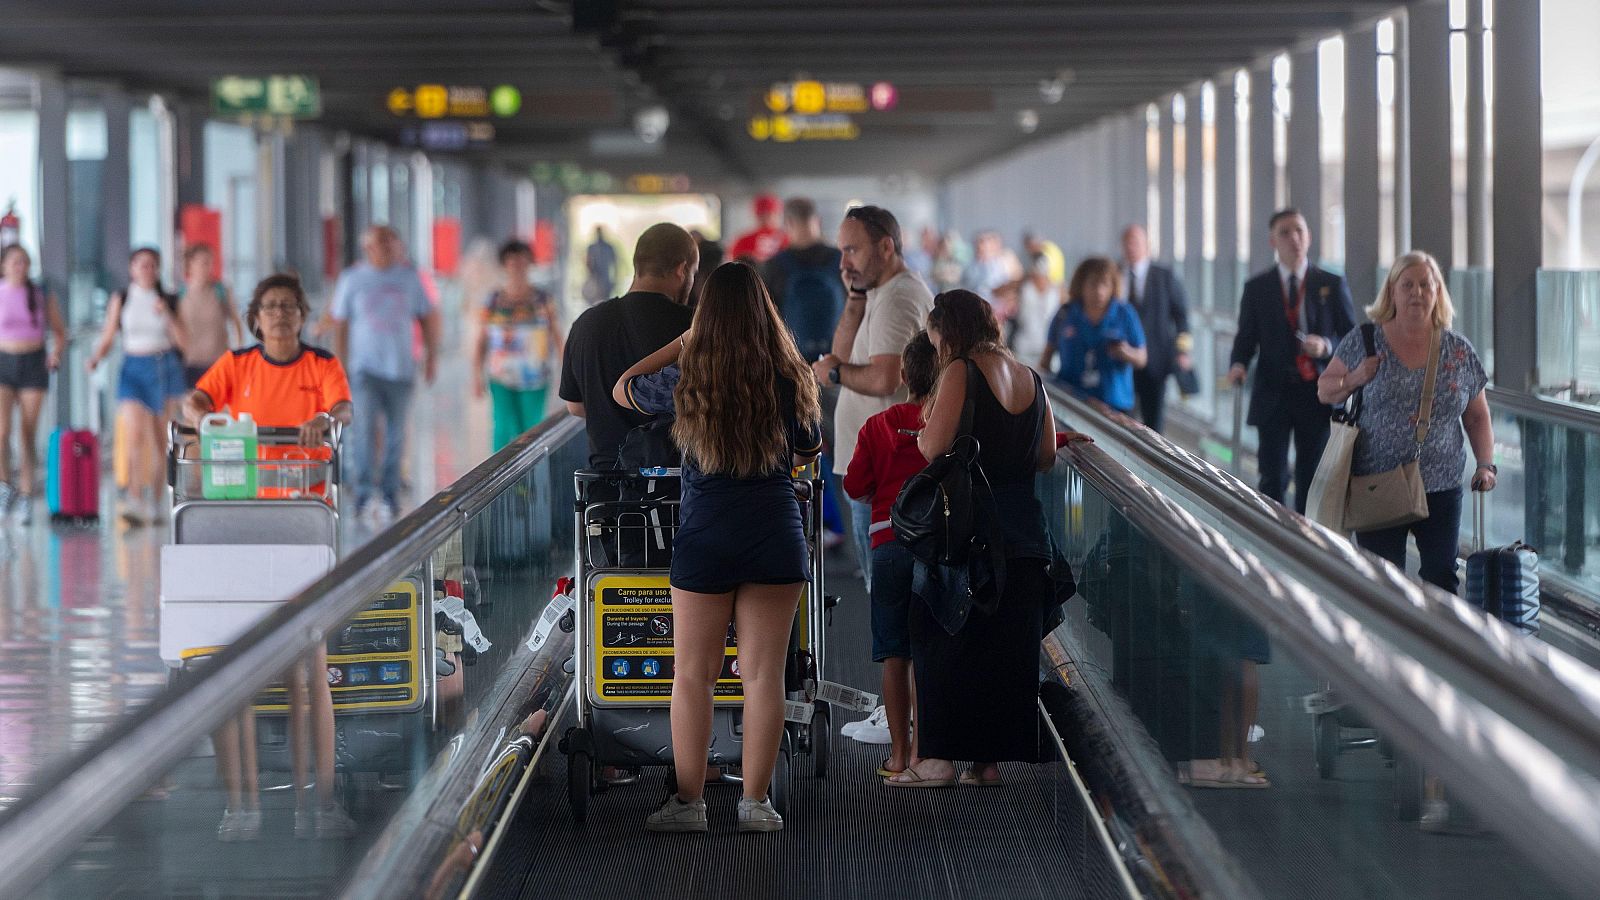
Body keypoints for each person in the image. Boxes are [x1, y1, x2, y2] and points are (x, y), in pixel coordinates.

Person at [612, 261, 822, 833]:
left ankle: (689, 803)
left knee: (694, 675)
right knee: (763, 676)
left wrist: (682, 343)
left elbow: (622, 389)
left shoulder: (689, 375)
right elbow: (810, 445)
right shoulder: (789, 374)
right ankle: (756, 804)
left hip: (706, 532)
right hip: (776, 530)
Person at [183, 273, 355, 840]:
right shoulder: (236, 365)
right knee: (232, 668)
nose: (279, 315)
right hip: (241, 522)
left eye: (289, 306)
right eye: (270, 307)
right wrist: (197, 414)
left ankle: (320, 803)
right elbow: (199, 401)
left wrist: (324, 421)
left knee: (310, 669)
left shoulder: (320, 366)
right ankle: (242, 807)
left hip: (304, 522)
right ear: (255, 317)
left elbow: (342, 411)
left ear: (302, 316)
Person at [886, 290, 1061, 789]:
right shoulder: (1029, 376)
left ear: (951, 332)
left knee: (939, 634)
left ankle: (938, 760)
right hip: (1024, 532)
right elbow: (1046, 454)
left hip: (967, 533)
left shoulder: (962, 370)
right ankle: (985, 764)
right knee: (1004, 650)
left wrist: (925, 427)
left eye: (935, 334)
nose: (933, 344)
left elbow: (933, 447)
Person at [1317, 250, 1494, 594]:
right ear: (1392, 292)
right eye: (1407, 285)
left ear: (1438, 293)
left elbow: (1477, 415)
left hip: (1441, 486)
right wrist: (1355, 378)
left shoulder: (1458, 351)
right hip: (1377, 482)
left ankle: (1437, 645)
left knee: (1442, 577)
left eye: (1426, 285)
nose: (1417, 293)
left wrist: (1486, 465)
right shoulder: (1365, 341)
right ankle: (1385, 645)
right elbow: (1325, 390)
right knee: (1383, 580)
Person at [811, 205, 934, 590]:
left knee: (888, 593)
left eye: (853, 250)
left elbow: (884, 378)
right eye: (842, 250)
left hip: (887, 470)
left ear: (885, 247)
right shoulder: (876, 292)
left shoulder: (899, 299)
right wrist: (854, 300)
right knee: (880, 589)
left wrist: (831, 374)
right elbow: (845, 353)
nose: (843, 262)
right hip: (872, 465)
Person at [842, 331, 938, 778]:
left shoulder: (877, 427)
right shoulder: (946, 427)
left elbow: (854, 487)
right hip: (935, 549)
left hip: (886, 547)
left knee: (894, 655)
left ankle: (898, 757)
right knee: (930, 653)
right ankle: (926, 754)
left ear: (903, 375)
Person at [1228, 208, 1357, 514]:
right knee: (1272, 475)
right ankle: (1271, 536)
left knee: (1311, 475)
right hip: (1273, 391)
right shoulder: (1257, 288)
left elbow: (1351, 339)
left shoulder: (1331, 283)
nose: (1294, 238)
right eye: (1285, 232)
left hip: (1316, 392)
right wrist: (1238, 364)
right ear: (1273, 241)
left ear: (1309, 237)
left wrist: (1326, 345)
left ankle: (1304, 541)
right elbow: (1246, 336)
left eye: (1299, 231)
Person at [560, 223, 697, 467]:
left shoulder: (585, 324)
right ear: (682, 269)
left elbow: (575, 406)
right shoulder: (695, 328)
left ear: (638, 266)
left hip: (605, 489)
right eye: (693, 273)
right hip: (674, 488)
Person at [331, 224, 439, 523]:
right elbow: (340, 322)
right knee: (362, 431)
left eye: (392, 242)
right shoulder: (353, 279)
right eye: (381, 243)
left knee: (395, 436)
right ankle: (364, 493)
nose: (388, 248)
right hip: (364, 369)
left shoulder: (410, 278)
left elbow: (428, 317)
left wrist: (431, 356)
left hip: (401, 369)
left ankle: (390, 493)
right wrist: (340, 364)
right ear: (369, 248)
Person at [86, 247, 188, 526]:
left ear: (158, 269)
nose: (146, 269)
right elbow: (109, 334)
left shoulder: (167, 298)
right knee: (133, 435)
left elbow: (182, 340)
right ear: (132, 269)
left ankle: (156, 499)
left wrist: (166, 313)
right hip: (132, 368)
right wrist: (96, 357)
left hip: (163, 366)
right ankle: (134, 497)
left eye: (152, 264)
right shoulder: (122, 298)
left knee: (160, 440)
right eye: (141, 264)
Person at [472, 240, 563, 451]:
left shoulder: (542, 299)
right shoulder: (493, 300)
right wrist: (476, 374)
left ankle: (528, 482)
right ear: (504, 265)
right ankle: (499, 480)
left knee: (531, 428)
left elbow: (557, 334)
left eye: (522, 262)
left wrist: (565, 368)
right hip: (500, 375)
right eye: (512, 262)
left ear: (530, 264)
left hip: (535, 376)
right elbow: (481, 339)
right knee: (502, 427)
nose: (517, 267)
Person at [0, 245, 66, 525]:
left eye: (24, 262)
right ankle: (5, 486)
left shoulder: (39, 294)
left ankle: (26, 493)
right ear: (3, 266)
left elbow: (59, 332)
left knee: (27, 433)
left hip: (33, 363)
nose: (20, 266)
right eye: (14, 262)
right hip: (4, 361)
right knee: (2, 431)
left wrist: (55, 354)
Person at [1040, 256, 1147, 413]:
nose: (1099, 291)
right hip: (1072, 405)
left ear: (1113, 286)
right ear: (1081, 285)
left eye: (1105, 285)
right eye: (1093, 284)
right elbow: (1046, 360)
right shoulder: (1066, 314)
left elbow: (1142, 358)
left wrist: (1126, 353)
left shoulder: (1124, 313)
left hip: (1115, 408)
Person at [1120, 224, 1193, 433]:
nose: (1131, 247)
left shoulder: (1164, 276)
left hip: (1157, 361)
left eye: (1136, 242)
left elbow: (1182, 316)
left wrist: (1183, 351)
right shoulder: (1116, 274)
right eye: (1127, 242)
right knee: (1123, 421)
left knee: (1154, 423)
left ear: (1147, 246)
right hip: (1123, 362)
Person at [763, 197, 845, 363]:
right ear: (817, 220)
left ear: (788, 222)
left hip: (791, 360)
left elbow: (766, 315)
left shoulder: (776, 264)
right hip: (835, 360)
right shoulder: (840, 259)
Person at [176, 244, 244, 388]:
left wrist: (238, 352)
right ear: (190, 264)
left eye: (210, 262)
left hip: (219, 360)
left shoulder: (222, 291)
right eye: (203, 262)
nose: (207, 267)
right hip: (191, 362)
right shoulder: (180, 294)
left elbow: (236, 323)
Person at [1006, 252, 1062, 364]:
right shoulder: (1023, 285)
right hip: (1023, 345)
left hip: (1046, 348)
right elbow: (996, 291)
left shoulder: (1057, 289)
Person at [729, 193, 788, 264]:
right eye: (761, 215)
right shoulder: (742, 241)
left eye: (769, 214)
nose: (765, 218)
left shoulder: (786, 240)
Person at [583, 225, 619, 303]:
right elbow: (588, 263)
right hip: (596, 280)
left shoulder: (608, 247)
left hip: (605, 280)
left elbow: (615, 264)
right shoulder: (592, 247)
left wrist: (615, 279)